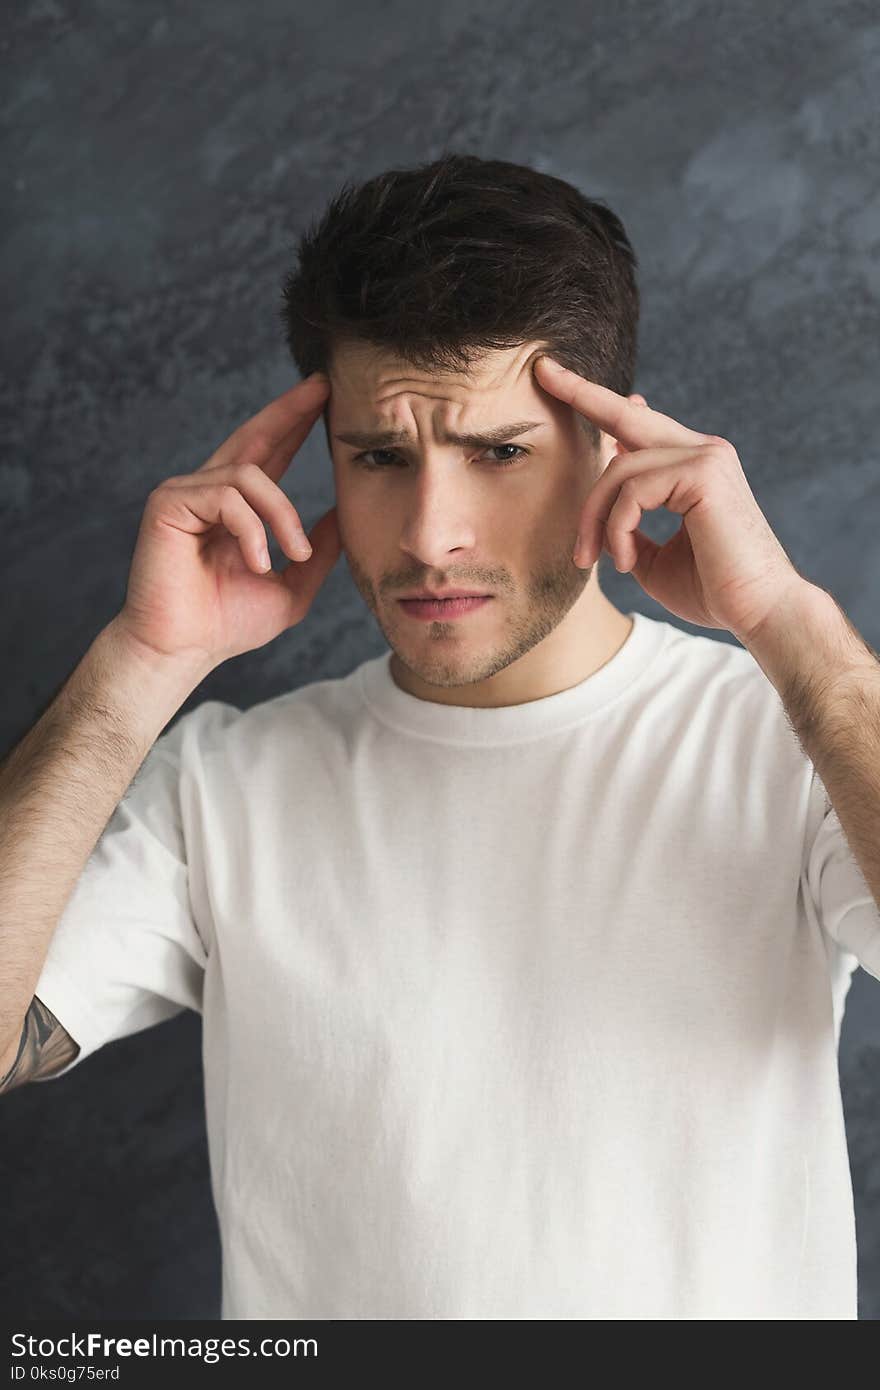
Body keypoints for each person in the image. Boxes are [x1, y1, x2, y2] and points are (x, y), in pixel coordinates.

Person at [1, 152, 877, 1320]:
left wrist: (788, 629)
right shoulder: (224, 785)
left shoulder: (789, 747)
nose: (431, 534)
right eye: (380, 457)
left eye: (498, 452)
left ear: (612, 448)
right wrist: (138, 670)